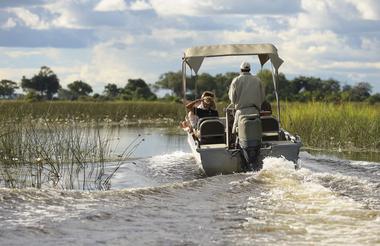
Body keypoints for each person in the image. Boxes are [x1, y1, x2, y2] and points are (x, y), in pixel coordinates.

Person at [228, 61, 265, 133]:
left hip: (241, 113)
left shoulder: (236, 80)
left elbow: (233, 99)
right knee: (254, 133)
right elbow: (262, 98)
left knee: (238, 132)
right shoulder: (257, 80)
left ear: (241, 70)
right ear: (250, 69)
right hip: (255, 112)